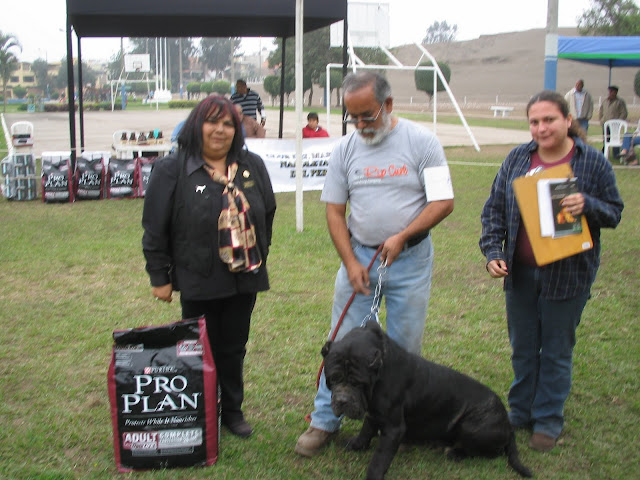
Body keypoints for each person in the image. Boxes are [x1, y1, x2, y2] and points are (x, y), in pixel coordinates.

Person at [295, 71, 454, 457]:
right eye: (354, 117)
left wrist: (401, 236)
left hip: (410, 259)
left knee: (403, 348)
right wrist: (350, 261)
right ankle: (324, 421)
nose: (362, 126)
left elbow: (442, 202)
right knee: (340, 344)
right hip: (360, 258)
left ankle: (395, 422)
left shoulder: (422, 142)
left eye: (368, 116)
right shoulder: (345, 149)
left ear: (388, 105)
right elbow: (335, 212)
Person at [479, 90, 623, 453]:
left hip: (569, 275)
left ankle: (548, 418)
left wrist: (587, 204)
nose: (541, 128)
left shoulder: (591, 162)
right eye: (534, 122)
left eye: (549, 120)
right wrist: (493, 252)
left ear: (568, 121)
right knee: (523, 347)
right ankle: (520, 411)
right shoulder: (517, 159)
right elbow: (494, 208)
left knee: (557, 348)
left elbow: (614, 212)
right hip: (521, 273)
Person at [142, 95, 276, 438]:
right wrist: (160, 277)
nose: (220, 130)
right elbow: (155, 227)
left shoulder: (252, 165)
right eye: (211, 121)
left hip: (244, 277)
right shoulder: (172, 169)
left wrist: (258, 251)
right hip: (198, 278)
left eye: (228, 123)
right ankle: (198, 412)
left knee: (234, 348)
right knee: (198, 349)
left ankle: (231, 411)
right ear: (195, 125)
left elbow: (268, 212)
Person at [598, 85, 628, 158]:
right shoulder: (605, 101)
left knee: (615, 139)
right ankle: (605, 152)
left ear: (616, 92)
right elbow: (601, 111)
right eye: (609, 91)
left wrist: (618, 122)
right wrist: (601, 120)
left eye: (612, 91)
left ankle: (616, 154)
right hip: (606, 124)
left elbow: (624, 113)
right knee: (606, 139)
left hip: (615, 126)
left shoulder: (620, 102)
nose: (610, 93)